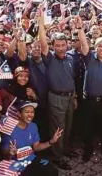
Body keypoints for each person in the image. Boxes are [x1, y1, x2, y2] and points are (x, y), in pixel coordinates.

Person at [38, 10, 88, 169]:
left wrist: (74, 97)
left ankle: (64, 149)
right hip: (56, 98)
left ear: (67, 45)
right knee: (58, 128)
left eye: (63, 45)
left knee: (68, 125)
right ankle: (57, 156)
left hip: (70, 97)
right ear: (53, 46)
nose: (60, 48)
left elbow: (71, 79)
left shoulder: (71, 58)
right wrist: (40, 22)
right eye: (57, 45)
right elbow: (43, 43)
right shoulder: (49, 57)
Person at [0, 100, 60, 176]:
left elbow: (36, 147)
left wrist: (51, 141)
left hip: (31, 159)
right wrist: (10, 153)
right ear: (19, 114)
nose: (30, 115)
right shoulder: (9, 129)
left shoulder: (33, 126)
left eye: (32, 112)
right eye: (27, 112)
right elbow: (5, 155)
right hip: (16, 164)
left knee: (52, 171)